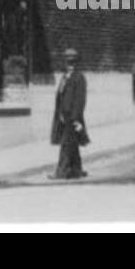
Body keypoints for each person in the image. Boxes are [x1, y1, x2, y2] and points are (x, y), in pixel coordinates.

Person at [49, 47, 89, 180]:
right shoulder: (64, 77)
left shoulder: (79, 77)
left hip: (72, 116)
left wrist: (76, 118)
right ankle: (76, 169)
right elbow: (60, 96)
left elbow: (80, 99)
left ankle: (62, 171)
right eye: (67, 62)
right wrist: (59, 112)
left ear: (76, 63)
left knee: (66, 144)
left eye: (72, 62)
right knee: (72, 143)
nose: (69, 65)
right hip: (63, 115)